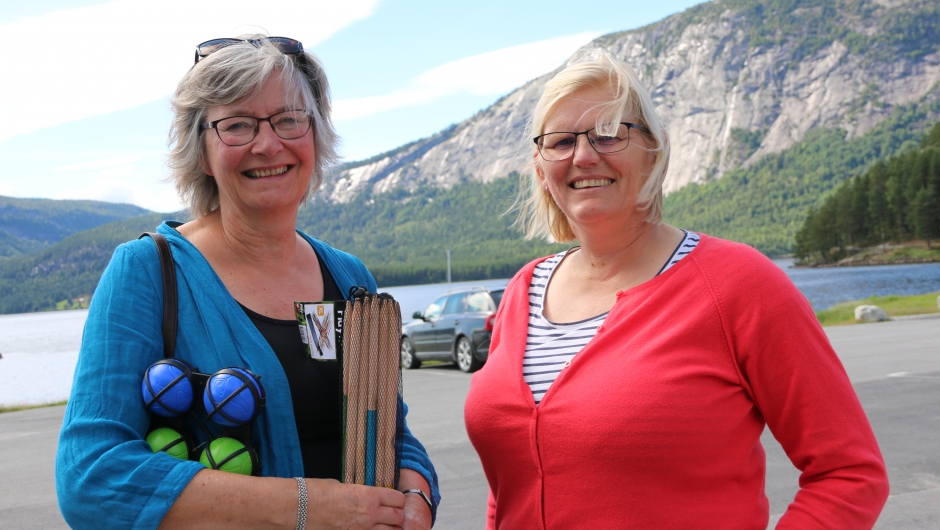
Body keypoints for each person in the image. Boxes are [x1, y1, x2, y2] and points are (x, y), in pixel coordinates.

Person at [463, 48, 889, 529]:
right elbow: (511, 488)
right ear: (542, 170)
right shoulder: (523, 290)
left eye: (608, 134)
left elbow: (850, 472)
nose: (583, 156)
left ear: (655, 152)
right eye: (560, 142)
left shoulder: (738, 283)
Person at [56, 35, 438, 530]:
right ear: (202, 151)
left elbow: (390, 432)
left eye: (288, 119)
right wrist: (305, 507)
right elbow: (91, 476)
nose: (268, 144)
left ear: (316, 135)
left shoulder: (349, 278)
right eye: (237, 125)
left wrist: (415, 497)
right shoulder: (148, 272)